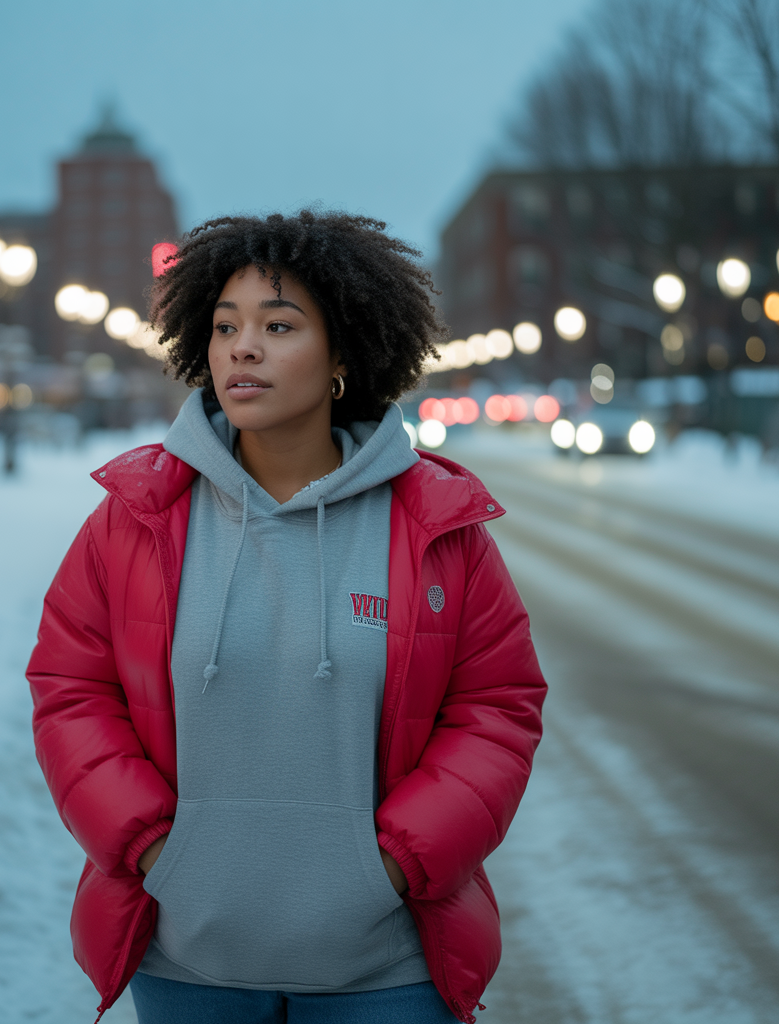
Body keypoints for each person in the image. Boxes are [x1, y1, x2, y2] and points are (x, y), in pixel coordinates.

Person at [27, 210, 547, 1024]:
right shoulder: (136, 518)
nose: (243, 346)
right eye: (225, 325)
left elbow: (498, 708)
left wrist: (397, 866)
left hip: (386, 972)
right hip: (188, 962)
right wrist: (154, 850)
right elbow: (70, 687)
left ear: (344, 354)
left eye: (279, 325)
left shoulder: (437, 528)